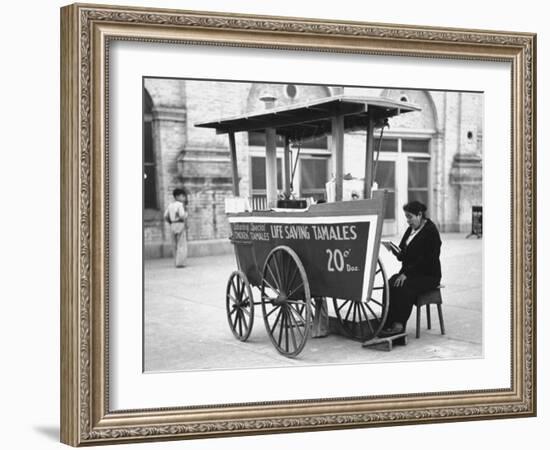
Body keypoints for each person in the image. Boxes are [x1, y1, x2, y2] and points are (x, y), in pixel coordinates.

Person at [379, 201, 442, 337]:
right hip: (410, 272)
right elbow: (403, 254)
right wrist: (396, 251)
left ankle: (399, 325)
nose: (408, 221)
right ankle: (387, 321)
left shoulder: (431, 231)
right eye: (406, 217)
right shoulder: (411, 229)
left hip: (428, 275)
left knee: (404, 286)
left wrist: (407, 274)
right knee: (390, 284)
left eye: (410, 217)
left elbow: (429, 259)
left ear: (420, 215)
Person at [164, 188, 188, 268]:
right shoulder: (180, 205)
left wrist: (170, 222)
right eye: (183, 196)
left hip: (173, 225)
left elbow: (165, 216)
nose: (184, 198)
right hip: (180, 224)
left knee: (174, 244)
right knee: (181, 244)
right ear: (177, 196)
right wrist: (185, 215)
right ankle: (180, 263)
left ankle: (175, 261)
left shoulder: (170, 205)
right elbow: (181, 215)